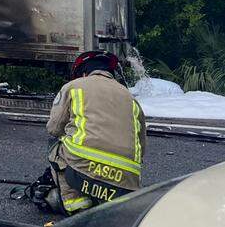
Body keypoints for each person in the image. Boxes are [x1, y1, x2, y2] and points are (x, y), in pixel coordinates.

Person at [35, 50, 146, 216]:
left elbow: (54, 128)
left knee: (55, 146)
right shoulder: (130, 98)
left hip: (85, 167)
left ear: (84, 73)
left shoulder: (73, 87)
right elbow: (141, 146)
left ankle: (76, 204)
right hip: (128, 181)